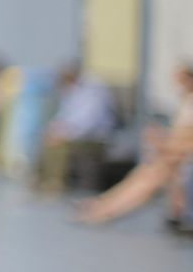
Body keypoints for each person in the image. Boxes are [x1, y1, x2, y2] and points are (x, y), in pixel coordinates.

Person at [74, 62, 193, 225]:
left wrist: (162, 145)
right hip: (174, 154)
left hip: (178, 155)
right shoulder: (185, 102)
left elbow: (187, 141)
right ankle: (104, 205)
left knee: (148, 179)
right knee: (144, 175)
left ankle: (106, 209)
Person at [37, 63, 116, 194]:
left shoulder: (93, 90)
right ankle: (44, 181)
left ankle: (55, 183)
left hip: (95, 136)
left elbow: (89, 121)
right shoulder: (73, 89)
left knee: (58, 144)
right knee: (49, 138)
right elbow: (65, 115)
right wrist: (55, 129)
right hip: (77, 133)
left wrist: (65, 133)